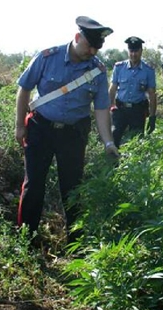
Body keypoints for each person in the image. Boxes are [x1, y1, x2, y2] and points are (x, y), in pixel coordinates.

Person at [15, 16, 119, 244]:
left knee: (73, 187)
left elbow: (101, 109)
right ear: (77, 37)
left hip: (73, 134)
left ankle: (75, 243)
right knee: (33, 185)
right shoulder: (47, 57)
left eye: (96, 47)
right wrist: (19, 126)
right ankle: (26, 239)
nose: (92, 51)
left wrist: (108, 143)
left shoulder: (98, 71)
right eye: (89, 45)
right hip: (40, 128)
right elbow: (24, 89)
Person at [109, 36, 157, 148]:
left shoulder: (148, 71)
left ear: (141, 51)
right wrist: (110, 108)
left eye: (136, 51)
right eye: (131, 51)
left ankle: (134, 165)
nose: (133, 54)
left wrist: (152, 117)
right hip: (120, 109)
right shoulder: (119, 68)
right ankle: (113, 164)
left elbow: (152, 95)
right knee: (114, 136)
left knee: (137, 142)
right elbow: (112, 89)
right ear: (128, 51)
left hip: (138, 111)